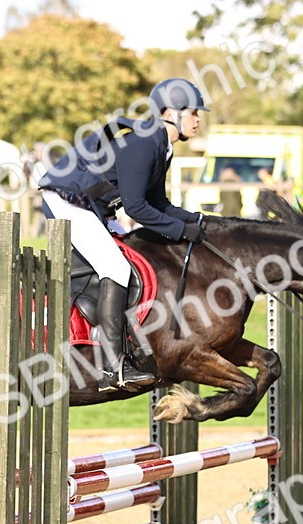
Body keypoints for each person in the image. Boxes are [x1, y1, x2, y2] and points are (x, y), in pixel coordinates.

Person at [37, 78, 208, 392]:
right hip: (66, 201)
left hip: (91, 205)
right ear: (171, 111)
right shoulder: (145, 143)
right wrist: (181, 230)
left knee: (130, 257)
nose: (198, 119)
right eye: (193, 112)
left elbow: (159, 203)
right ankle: (112, 368)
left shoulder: (162, 146)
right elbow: (137, 208)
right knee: (114, 268)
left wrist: (198, 221)